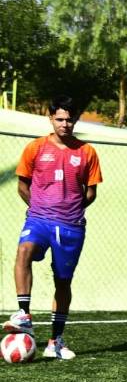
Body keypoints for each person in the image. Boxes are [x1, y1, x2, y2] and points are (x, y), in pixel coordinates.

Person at [3, 97, 103, 359]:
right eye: (60, 119)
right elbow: (22, 185)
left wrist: (71, 209)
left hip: (71, 226)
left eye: (70, 119)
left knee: (62, 281)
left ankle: (55, 342)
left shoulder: (87, 152)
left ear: (76, 120)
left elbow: (90, 192)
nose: (65, 124)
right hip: (38, 219)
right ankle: (24, 314)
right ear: (51, 119)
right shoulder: (35, 148)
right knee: (23, 251)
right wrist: (37, 207)